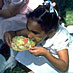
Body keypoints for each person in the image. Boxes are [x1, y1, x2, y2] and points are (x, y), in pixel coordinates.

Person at [4, 1, 72, 73]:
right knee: (24, 54)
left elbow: (64, 67)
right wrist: (10, 33)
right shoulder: (36, 29)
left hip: (61, 59)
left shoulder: (60, 39)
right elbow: (16, 33)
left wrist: (46, 54)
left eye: (34, 33)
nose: (29, 35)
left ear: (50, 32)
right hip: (46, 52)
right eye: (28, 29)